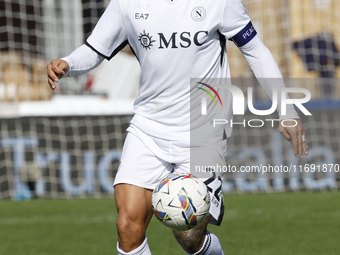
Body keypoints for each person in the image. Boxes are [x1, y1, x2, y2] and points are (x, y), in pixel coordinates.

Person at [46, 0, 309, 254]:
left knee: (189, 236)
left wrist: (286, 109)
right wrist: (68, 63)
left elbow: (255, 50)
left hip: (203, 131)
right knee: (127, 227)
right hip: (149, 127)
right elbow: (94, 49)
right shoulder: (127, 3)